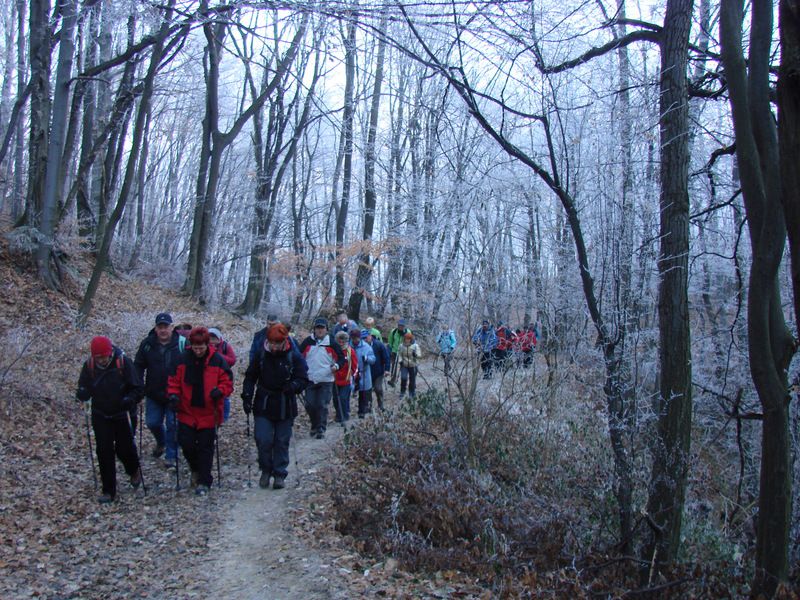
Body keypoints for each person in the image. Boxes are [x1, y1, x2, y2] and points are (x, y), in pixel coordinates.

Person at [242, 324, 309, 490]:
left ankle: (279, 473)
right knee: (262, 439)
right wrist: (247, 395)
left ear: (284, 341)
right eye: (272, 342)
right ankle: (266, 469)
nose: (274, 346)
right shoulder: (261, 354)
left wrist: (294, 386)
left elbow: (303, 378)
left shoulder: (294, 355)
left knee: (281, 440)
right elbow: (250, 377)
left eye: (277, 343)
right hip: (263, 401)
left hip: (285, 403)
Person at [77, 336, 144, 503]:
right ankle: (108, 490)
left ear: (110, 352)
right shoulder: (89, 366)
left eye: (104, 356)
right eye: (98, 357)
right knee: (104, 450)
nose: (101, 360)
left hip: (123, 413)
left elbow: (137, 388)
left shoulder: (123, 362)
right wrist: (83, 392)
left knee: (125, 448)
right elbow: (83, 386)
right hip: (100, 413)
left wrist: (130, 399)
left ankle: (133, 469)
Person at [167, 327, 233, 495]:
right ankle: (195, 469)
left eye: (201, 348)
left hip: (209, 412)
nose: (198, 351)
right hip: (186, 411)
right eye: (195, 348)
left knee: (206, 447)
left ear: (207, 345)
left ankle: (204, 480)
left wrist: (220, 391)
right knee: (186, 444)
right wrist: (173, 396)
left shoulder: (218, 360)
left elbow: (228, 382)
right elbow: (173, 381)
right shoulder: (182, 360)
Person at [134, 312, 185, 468]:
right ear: (156, 328)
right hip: (153, 392)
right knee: (152, 422)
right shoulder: (147, 344)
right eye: (160, 327)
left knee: (173, 424)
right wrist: (138, 386)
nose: (163, 330)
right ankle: (161, 442)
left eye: (166, 327)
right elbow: (138, 365)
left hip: (175, 393)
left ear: (172, 327)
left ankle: (171, 455)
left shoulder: (182, 344)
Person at [299, 317, 345, 439]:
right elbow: (298, 357)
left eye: (322, 328)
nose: (319, 330)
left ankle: (321, 428)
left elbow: (342, 359)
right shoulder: (308, 342)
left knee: (322, 405)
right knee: (309, 405)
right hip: (310, 379)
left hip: (326, 380)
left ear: (326, 329)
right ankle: (314, 425)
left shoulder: (331, 343)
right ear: (314, 329)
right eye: (317, 328)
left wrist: (336, 366)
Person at [208, 327, 237, 422]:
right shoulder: (203, 347)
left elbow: (232, 360)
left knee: (225, 397)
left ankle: (224, 417)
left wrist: (218, 355)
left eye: (214, 338)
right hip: (210, 376)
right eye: (210, 338)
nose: (212, 341)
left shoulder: (225, 346)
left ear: (219, 338)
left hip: (224, 375)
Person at [349, 328, 376, 417]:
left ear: (359, 337)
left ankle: (362, 411)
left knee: (364, 393)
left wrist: (367, 358)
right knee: (350, 391)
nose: (355, 340)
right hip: (352, 373)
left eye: (356, 338)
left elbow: (373, 360)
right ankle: (346, 411)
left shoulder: (366, 347)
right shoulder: (348, 346)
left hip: (364, 373)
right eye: (353, 338)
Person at [333, 331, 358, 425]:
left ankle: (344, 415)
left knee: (343, 398)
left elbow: (355, 365)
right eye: (339, 341)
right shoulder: (334, 350)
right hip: (335, 379)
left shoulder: (350, 351)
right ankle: (339, 415)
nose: (341, 343)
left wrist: (352, 375)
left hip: (346, 379)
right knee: (335, 398)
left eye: (343, 341)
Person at [365, 331, 391, 410]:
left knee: (378, 388)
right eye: (363, 338)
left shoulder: (379, 344)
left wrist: (387, 369)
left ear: (370, 336)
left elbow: (386, 357)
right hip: (367, 372)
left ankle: (381, 405)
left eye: (366, 337)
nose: (365, 339)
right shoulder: (362, 346)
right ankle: (369, 406)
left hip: (378, 371)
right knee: (368, 390)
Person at [386, 318, 412, 386]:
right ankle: (392, 380)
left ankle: (402, 381)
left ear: (404, 326)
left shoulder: (408, 332)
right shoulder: (393, 331)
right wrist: (391, 350)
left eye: (402, 326)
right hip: (394, 351)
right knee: (394, 366)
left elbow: (410, 342)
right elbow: (390, 341)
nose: (400, 327)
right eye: (399, 325)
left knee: (402, 367)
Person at [398, 332, 422, 399]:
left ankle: (412, 392)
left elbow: (419, 355)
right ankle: (402, 392)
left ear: (411, 339)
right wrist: (400, 361)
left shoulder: (415, 346)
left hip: (413, 365)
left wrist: (415, 355)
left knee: (412, 379)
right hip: (404, 365)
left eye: (408, 339)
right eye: (406, 339)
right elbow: (399, 354)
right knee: (403, 378)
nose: (407, 340)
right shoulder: (401, 346)